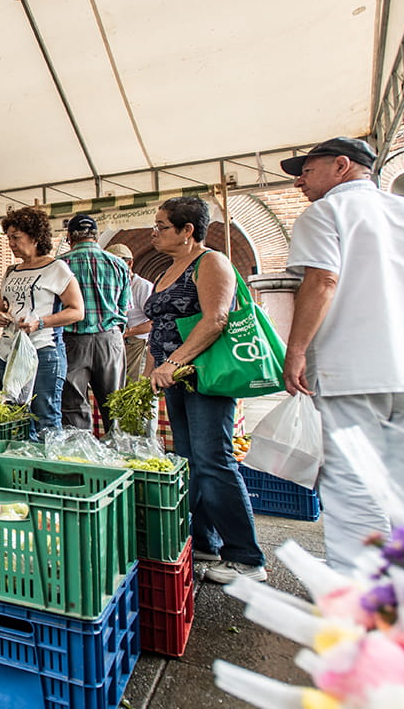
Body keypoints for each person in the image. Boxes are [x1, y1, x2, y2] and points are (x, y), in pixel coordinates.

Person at [280, 137, 404, 574]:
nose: (300, 181)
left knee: (353, 489)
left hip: (349, 371)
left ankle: (359, 592)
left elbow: (322, 281)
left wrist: (295, 351)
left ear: (341, 165)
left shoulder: (325, 212)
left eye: (307, 170)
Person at [144, 196, 266, 583]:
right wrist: (153, 371)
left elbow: (216, 319)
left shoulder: (211, 262)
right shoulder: (169, 269)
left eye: (162, 226)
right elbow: (159, 328)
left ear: (187, 230)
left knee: (214, 461)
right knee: (190, 460)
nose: (154, 233)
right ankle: (203, 542)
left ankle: (246, 557)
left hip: (204, 377)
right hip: (175, 379)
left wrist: (174, 362)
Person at [0, 207, 85, 439]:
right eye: (8, 238)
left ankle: (48, 460)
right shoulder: (11, 271)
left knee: (45, 415)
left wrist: (40, 323)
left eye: (16, 237)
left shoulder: (56, 268)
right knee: (13, 416)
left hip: (43, 351)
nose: (11, 243)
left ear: (34, 237)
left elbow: (77, 311)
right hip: (9, 352)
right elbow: (1, 307)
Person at [59, 214, 132, 431]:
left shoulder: (60, 265)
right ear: (97, 236)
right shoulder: (118, 264)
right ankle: (117, 446)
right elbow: (124, 307)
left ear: (69, 237)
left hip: (73, 339)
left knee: (73, 404)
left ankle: (81, 447)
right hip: (110, 338)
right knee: (115, 404)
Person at [105, 243, 154, 382]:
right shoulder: (111, 286)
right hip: (118, 345)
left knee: (134, 386)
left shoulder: (142, 286)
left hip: (137, 344)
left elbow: (155, 322)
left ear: (129, 263)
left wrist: (128, 332)